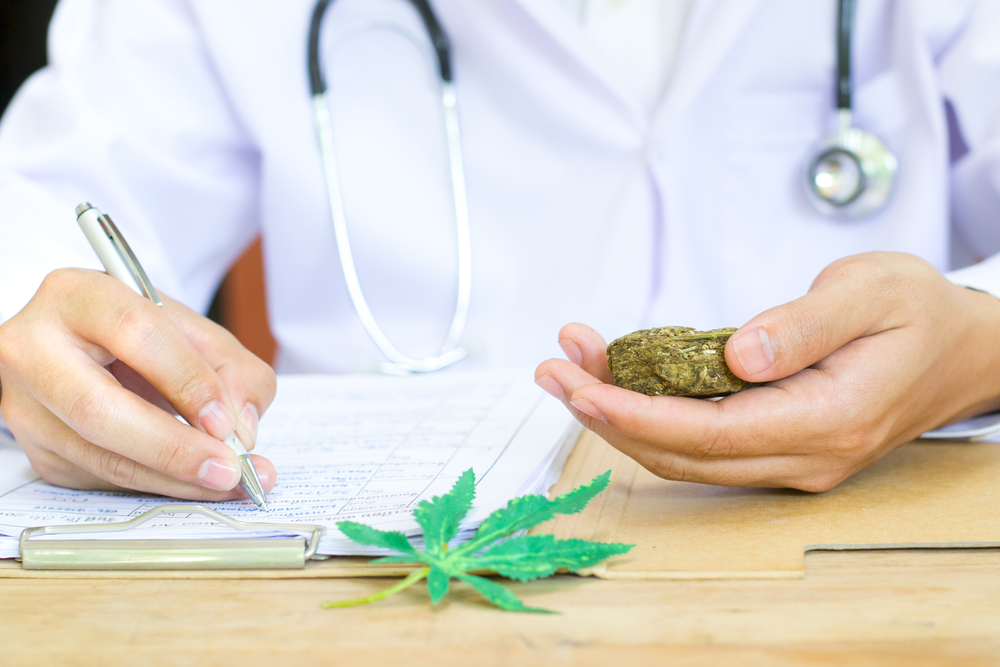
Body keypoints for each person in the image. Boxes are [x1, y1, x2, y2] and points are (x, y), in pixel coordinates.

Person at [0, 0, 999, 501]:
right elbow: (47, 200)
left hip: (859, 558)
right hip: (389, 593)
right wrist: (39, 336)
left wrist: (977, 345)